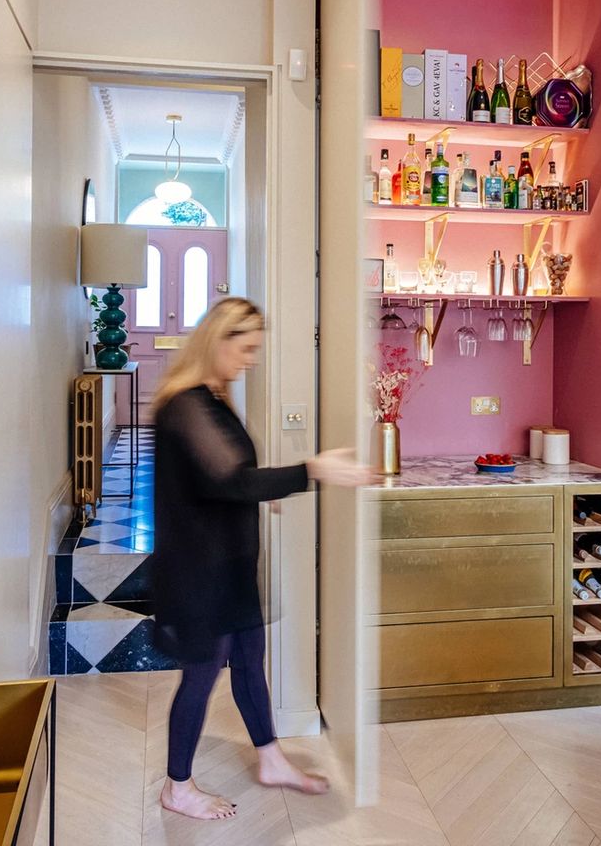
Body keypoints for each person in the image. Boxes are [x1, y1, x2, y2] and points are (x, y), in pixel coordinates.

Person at [151, 296, 368, 821]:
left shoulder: (212, 398)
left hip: (228, 566)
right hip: (200, 574)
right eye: (245, 349)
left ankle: (270, 759)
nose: (251, 360)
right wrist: (310, 469)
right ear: (217, 340)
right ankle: (176, 786)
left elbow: (218, 481)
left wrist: (257, 492)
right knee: (200, 679)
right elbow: (228, 479)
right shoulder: (185, 405)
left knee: (250, 661)